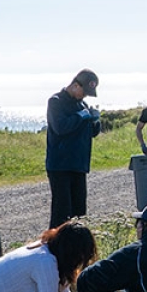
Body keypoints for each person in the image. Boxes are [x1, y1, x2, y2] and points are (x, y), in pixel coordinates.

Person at [46, 69, 102, 229]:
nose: (85, 96)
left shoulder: (82, 104)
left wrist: (96, 120)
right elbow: (60, 127)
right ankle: (56, 247)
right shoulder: (56, 101)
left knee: (79, 213)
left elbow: (92, 132)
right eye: (84, 92)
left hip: (79, 165)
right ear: (76, 85)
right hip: (60, 165)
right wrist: (81, 116)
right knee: (62, 212)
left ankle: (76, 249)